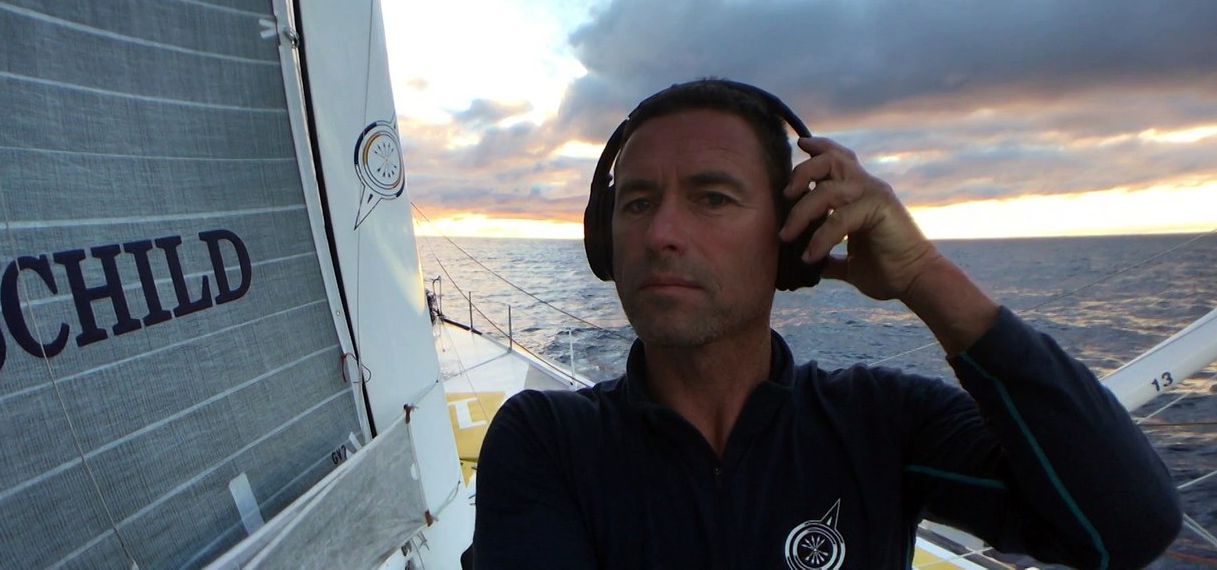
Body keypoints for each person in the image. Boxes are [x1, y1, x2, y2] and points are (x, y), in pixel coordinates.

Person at [473, 79, 1180, 569]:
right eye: (635, 203)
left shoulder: (882, 422)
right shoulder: (546, 442)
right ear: (605, 239)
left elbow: (1126, 525)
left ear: (789, 236)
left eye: (711, 198)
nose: (661, 232)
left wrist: (924, 276)